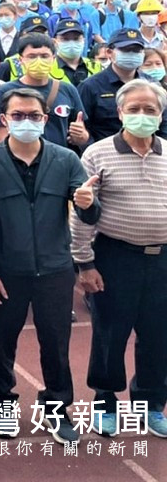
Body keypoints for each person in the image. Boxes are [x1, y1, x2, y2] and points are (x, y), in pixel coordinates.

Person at [0, 87, 96, 445]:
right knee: (2, 342)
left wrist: (88, 202)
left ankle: (58, 410)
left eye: (34, 115)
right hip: (8, 269)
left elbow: (89, 210)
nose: (26, 121)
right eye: (18, 115)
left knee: (56, 343)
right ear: (4, 119)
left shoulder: (66, 159)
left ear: (45, 119)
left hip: (56, 269)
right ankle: (4, 405)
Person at [70, 78, 167, 438]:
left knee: (159, 336)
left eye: (150, 109)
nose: (142, 115)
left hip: (162, 260)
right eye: (135, 109)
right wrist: (84, 262)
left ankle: (151, 404)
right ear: (120, 111)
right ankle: (105, 402)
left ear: (160, 114)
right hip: (115, 257)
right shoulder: (97, 154)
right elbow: (82, 211)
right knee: (110, 334)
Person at [0, 34, 89, 149]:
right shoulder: (5, 91)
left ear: (53, 59)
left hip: (58, 161)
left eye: (44, 56)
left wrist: (81, 136)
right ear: (21, 60)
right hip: (18, 161)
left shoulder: (68, 89)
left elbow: (83, 136)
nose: (39, 61)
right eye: (32, 56)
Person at [79, 29, 166, 142]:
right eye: (125, 50)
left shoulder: (153, 85)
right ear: (109, 53)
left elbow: (164, 122)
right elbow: (83, 127)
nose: (131, 54)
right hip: (105, 153)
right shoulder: (90, 86)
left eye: (136, 50)